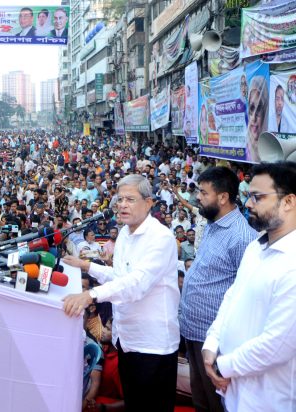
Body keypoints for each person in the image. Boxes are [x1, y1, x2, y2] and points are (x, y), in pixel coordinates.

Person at [62, 174, 180, 412]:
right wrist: (87, 266)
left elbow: (136, 284)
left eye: (130, 199)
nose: (123, 204)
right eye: (120, 199)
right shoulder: (125, 233)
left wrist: (90, 295)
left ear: (149, 203)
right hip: (127, 339)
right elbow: (120, 277)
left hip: (152, 345)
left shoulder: (160, 238)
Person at [202, 161, 296, 411]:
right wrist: (212, 343)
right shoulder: (255, 247)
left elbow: (279, 344)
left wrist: (223, 365)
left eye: (258, 197)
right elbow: (232, 296)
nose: (248, 204)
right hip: (233, 392)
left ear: (288, 202)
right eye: (248, 195)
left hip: (268, 399)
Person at [178, 167, 257, 412]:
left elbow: (244, 294)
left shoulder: (242, 237)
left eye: (203, 192)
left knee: (216, 403)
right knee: (200, 399)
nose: (197, 197)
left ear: (223, 197)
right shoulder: (212, 223)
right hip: (193, 330)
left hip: (213, 338)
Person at [246, 75, 268, 162]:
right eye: (251, 108)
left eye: (258, 109)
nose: (253, 118)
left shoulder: (271, 148)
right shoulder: (245, 150)